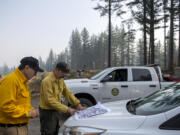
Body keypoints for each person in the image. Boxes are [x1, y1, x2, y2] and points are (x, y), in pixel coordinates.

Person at [0, 56, 44, 135]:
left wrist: (32, 110)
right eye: (35, 71)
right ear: (27, 68)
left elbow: (22, 104)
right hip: (12, 129)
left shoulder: (23, 83)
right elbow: (6, 107)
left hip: (20, 127)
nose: (36, 74)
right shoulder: (11, 80)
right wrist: (28, 113)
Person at [39, 62, 86, 135]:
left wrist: (78, 104)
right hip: (47, 113)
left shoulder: (60, 79)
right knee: (48, 132)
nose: (64, 75)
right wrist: (68, 109)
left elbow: (67, 92)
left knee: (55, 131)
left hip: (56, 110)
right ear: (57, 70)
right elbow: (50, 101)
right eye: (63, 73)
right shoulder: (47, 81)